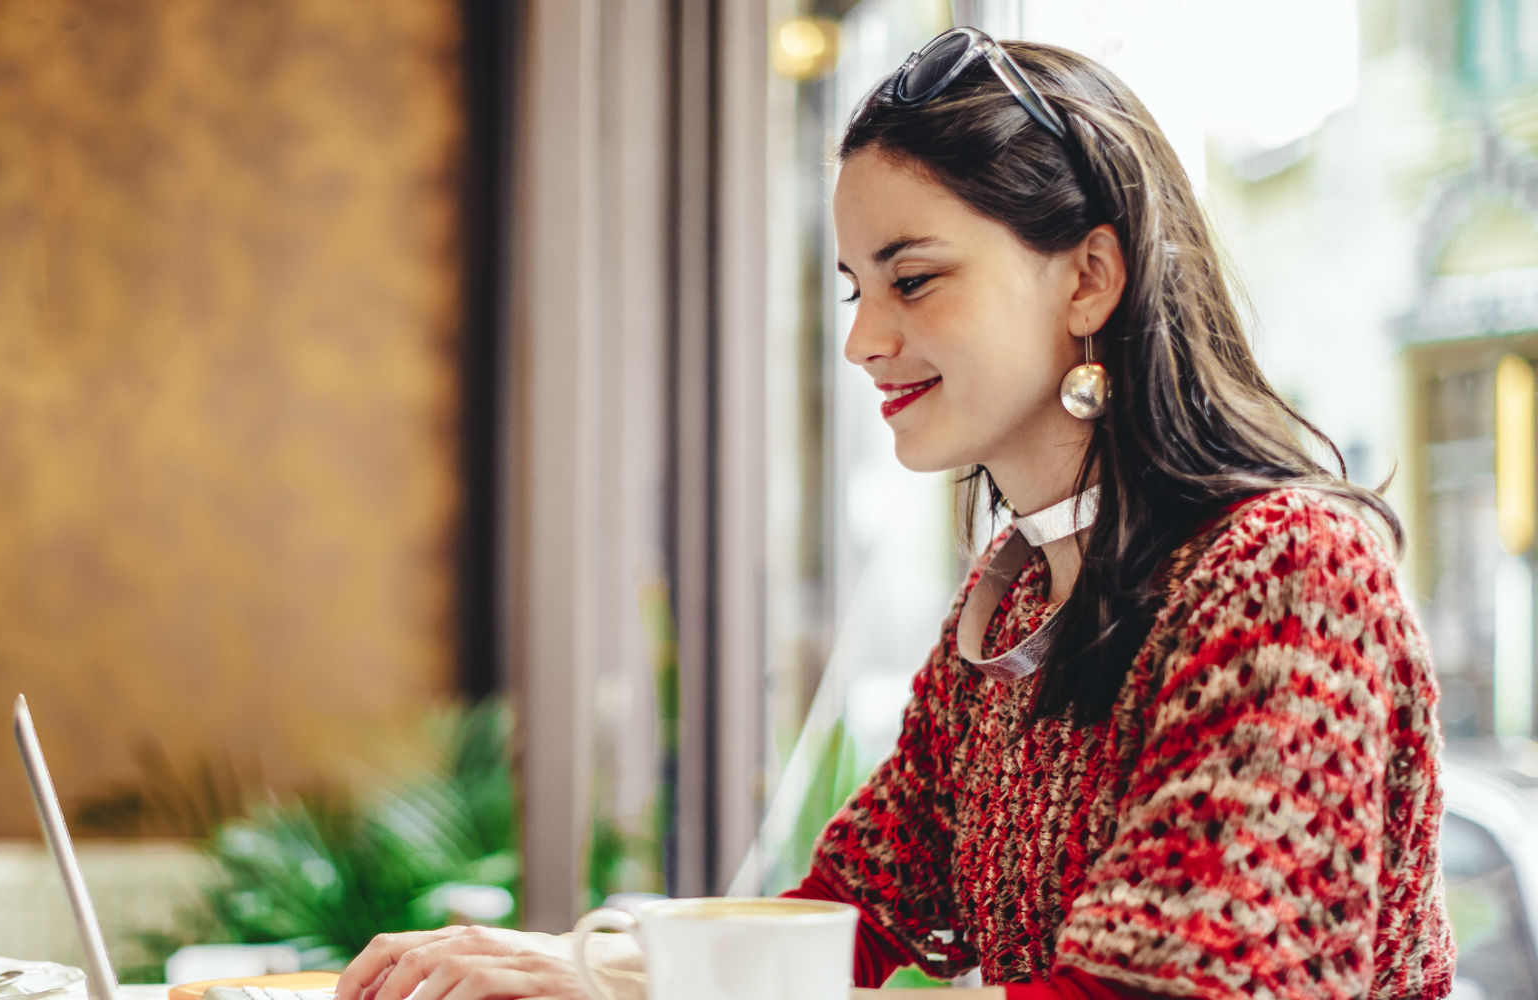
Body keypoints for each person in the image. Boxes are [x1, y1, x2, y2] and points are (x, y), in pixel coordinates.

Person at [333, 28, 1455, 1000]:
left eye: (912, 279)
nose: (862, 340)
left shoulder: (1289, 569)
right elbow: (853, 908)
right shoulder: (1014, 591)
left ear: (1090, 279)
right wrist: (585, 965)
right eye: (853, 287)